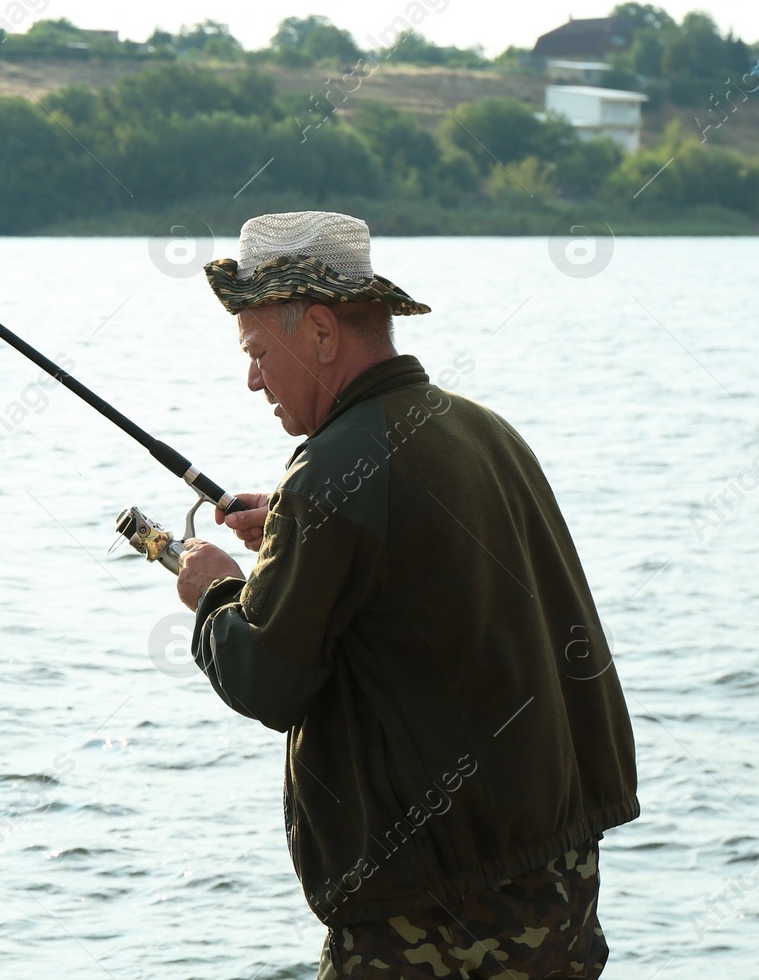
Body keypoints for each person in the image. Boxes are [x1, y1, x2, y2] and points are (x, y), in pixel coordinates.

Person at [174, 212, 638, 978]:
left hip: (432, 910)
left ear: (321, 331)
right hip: (556, 882)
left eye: (257, 351)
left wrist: (215, 590)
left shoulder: (332, 475)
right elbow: (414, 576)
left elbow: (266, 678)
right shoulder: (485, 431)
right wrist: (293, 530)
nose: (251, 377)